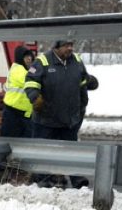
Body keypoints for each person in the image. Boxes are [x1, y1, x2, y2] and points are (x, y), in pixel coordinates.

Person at [24, 40, 94, 187]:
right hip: (46, 119)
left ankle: (76, 178)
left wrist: (83, 102)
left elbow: (82, 82)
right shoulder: (42, 61)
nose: (70, 48)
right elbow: (30, 81)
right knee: (44, 150)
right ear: (56, 47)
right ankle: (43, 179)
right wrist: (35, 97)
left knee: (71, 150)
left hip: (69, 118)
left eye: (71, 45)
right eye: (66, 46)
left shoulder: (76, 61)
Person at [0, 46, 35, 138]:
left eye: (30, 56)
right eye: (26, 57)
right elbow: (30, 80)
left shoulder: (26, 69)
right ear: (20, 58)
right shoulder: (17, 69)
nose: (29, 59)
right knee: (10, 142)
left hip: (24, 114)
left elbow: (34, 74)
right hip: (14, 113)